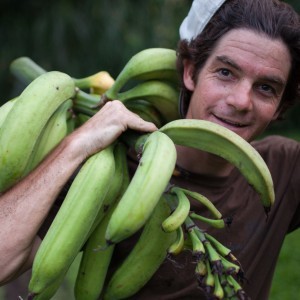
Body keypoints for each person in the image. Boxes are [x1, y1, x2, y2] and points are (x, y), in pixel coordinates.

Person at [1, 0, 300, 299]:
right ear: (190, 71)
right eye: (225, 72)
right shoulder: (108, 172)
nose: (241, 101)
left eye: (265, 88)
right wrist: (76, 145)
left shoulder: (282, 170)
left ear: (280, 105)